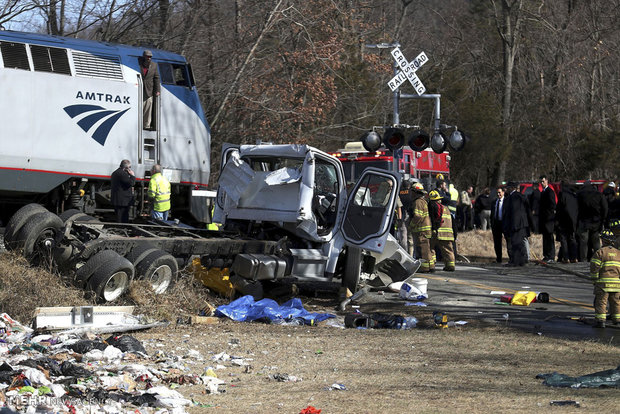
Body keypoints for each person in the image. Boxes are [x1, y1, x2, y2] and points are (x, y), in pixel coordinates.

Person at [589, 228, 620, 328]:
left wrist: (594, 280)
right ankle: (617, 320)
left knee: (601, 302)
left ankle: (600, 321)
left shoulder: (600, 252)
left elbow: (594, 267)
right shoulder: (618, 253)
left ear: (603, 240)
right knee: (616, 303)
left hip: (603, 284)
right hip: (616, 285)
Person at [577, 180, 608, 261]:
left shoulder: (579, 194)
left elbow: (576, 208)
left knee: (583, 242)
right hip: (596, 222)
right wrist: (602, 219)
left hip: (584, 222)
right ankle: (598, 259)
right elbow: (605, 208)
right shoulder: (598, 194)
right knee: (596, 242)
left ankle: (583, 259)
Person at [503, 182, 532, 266]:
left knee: (515, 243)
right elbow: (527, 208)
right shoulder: (521, 196)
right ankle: (521, 261)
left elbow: (510, 212)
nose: (506, 189)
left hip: (515, 224)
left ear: (512, 188)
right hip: (522, 223)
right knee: (520, 243)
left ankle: (516, 261)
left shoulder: (512, 198)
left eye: (508, 187)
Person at [409, 183, 434, 272]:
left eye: (412, 191)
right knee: (427, 249)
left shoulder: (418, 202)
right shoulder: (423, 201)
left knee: (423, 250)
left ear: (415, 192)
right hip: (425, 230)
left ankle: (424, 268)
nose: (411, 194)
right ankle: (431, 266)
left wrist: (411, 225)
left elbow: (417, 216)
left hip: (421, 230)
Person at [429, 190, 455, 271]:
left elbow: (434, 219)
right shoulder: (446, 209)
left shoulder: (433, 207)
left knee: (431, 248)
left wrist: (433, 229)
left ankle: (431, 265)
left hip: (438, 232)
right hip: (448, 234)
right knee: (448, 250)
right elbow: (453, 222)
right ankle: (450, 265)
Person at [556, 182, 578, 263]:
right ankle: (574, 257)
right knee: (572, 238)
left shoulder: (562, 195)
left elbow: (559, 208)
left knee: (564, 239)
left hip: (563, 220)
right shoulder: (573, 195)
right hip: (572, 220)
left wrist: (557, 220)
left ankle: (566, 257)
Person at [138, 50, 160, 130]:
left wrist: (157, 90)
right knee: (140, 107)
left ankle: (146, 125)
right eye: (147, 56)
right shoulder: (138, 63)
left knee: (148, 107)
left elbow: (156, 78)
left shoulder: (154, 65)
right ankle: (138, 124)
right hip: (139, 88)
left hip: (149, 90)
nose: (149, 58)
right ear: (144, 56)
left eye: (150, 57)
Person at [539, 175, 557, 262]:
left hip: (548, 219)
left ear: (547, 181)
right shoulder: (543, 192)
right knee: (545, 238)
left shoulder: (550, 192)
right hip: (544, 219)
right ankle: (546, 255)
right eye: (541, 182)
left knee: (549, 238)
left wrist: (548, 214)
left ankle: (551, 256)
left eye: (543, 181)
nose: (542, 183)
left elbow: (552, 205)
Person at [491, 186, 510, 264]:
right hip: (496, 223)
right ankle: (499, 258)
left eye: (499, 192)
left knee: (508, 241)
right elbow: (492, 213)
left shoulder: (507, 201)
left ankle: (511, 258)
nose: (498, 194)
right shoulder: (494, 201)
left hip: (504, 223)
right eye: (497, 193)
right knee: (497, 242)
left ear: (503, 192)